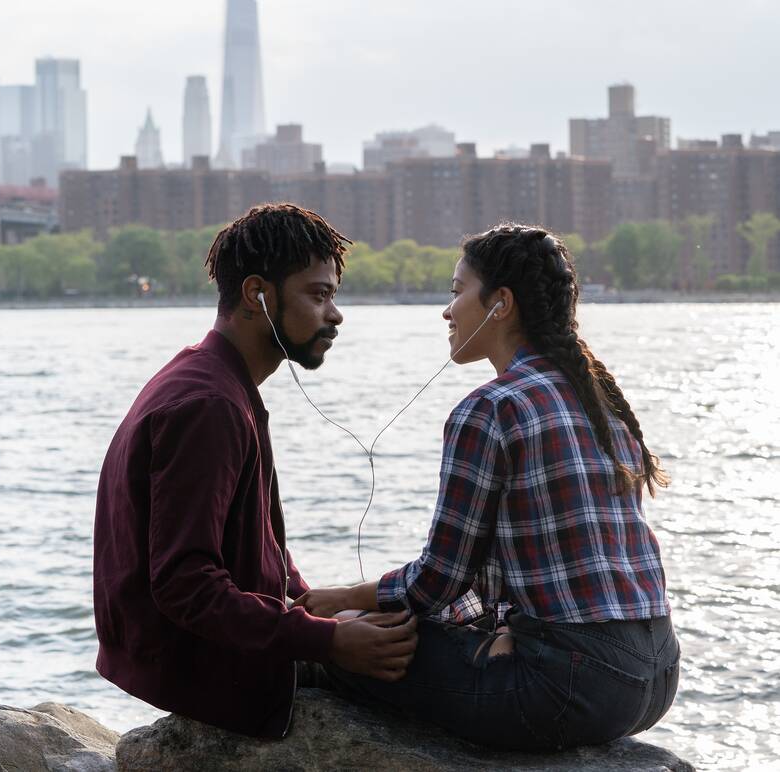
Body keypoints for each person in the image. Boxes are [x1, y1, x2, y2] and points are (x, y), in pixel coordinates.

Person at [300, 223, 680, 751]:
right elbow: (543, 569)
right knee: (380, 626)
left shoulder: (492, 408)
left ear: (501, 304)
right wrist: (506, 628)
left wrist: (340, 603)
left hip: (570, 686)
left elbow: (438, 581)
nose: (447, 310)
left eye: (457, 292)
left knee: (344, 648)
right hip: (657, 674)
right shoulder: (598, 399)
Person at [92, 203, 419, 739]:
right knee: (440, 656)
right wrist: (326, 643)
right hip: (212, 672)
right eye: (318, 295)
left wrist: (313, 609)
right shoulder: (208, 405)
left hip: (220, 650)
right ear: (256, 295)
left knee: (395, 625)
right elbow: (183, 584)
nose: (335, 315)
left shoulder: (215, 377)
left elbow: (257, 541)